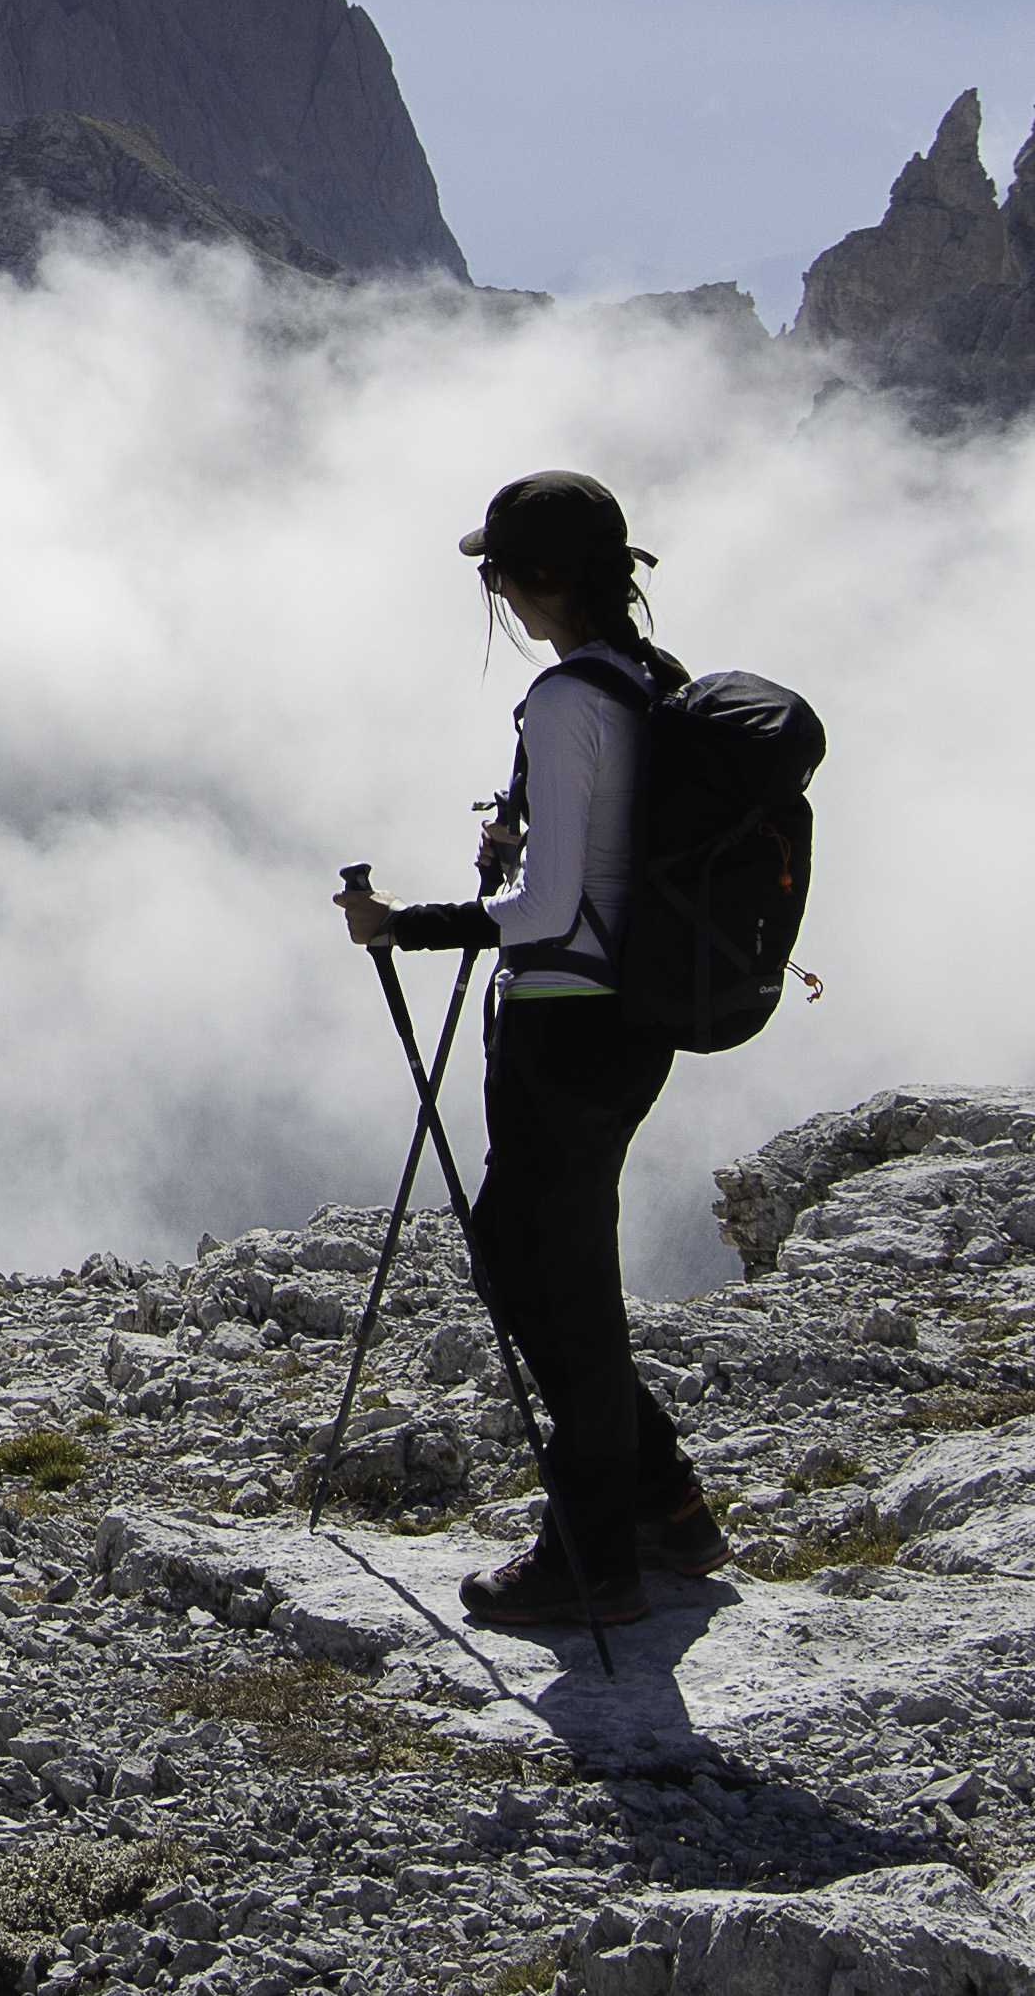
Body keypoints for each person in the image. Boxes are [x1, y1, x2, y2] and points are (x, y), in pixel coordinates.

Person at [338, 469, 724, 1634]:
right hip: (629, 1021)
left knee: (557, 1282)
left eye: (497, 570)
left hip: (564, 1019)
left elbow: (553, 903)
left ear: (538, 578)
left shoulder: (566, 701)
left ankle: (593, 1554)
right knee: (531, 1259)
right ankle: (663, 1503)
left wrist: (408, 924)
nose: (495, 589)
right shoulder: (651, 682)